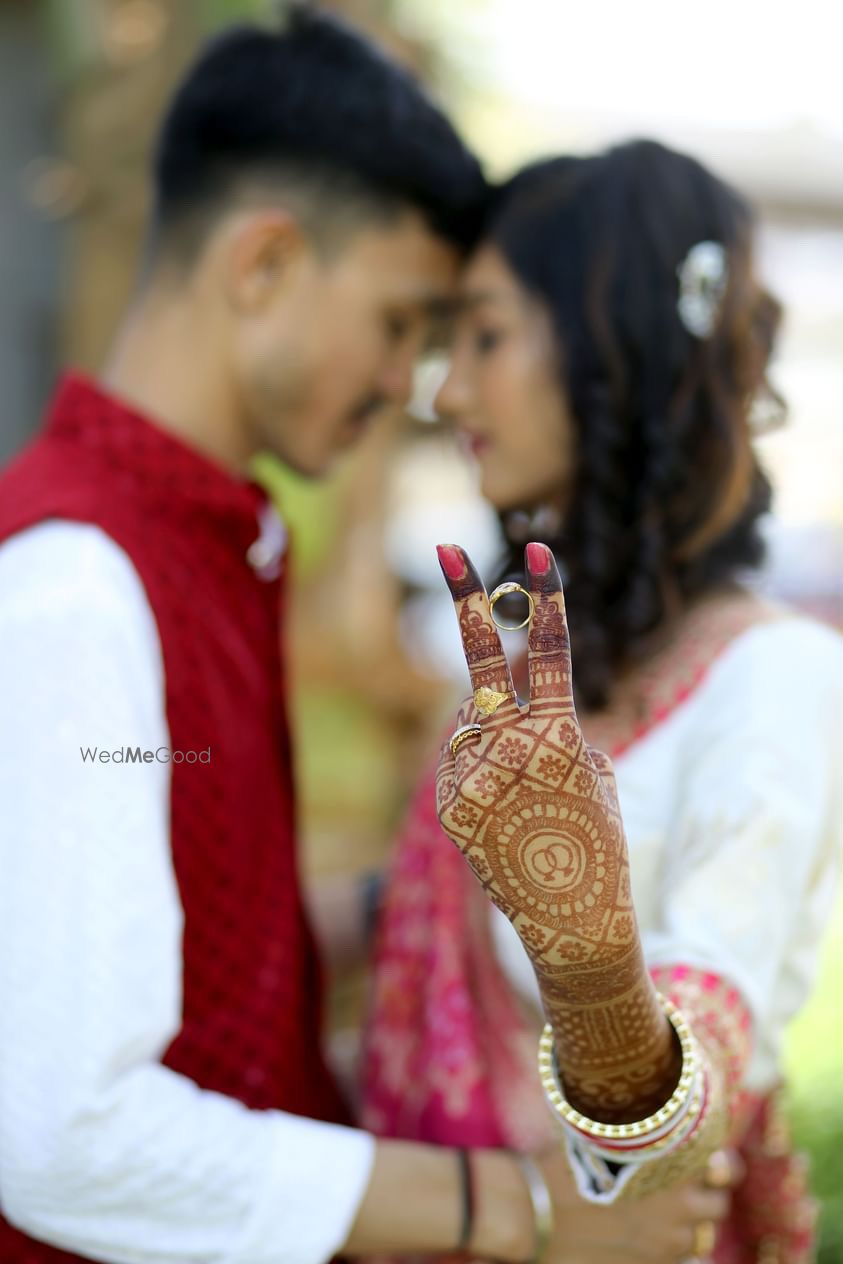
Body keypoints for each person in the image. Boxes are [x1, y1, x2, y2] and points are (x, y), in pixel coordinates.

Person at [0, 9, 601, 1263]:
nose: (413, 385)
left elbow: (182, 952)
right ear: (264, 262)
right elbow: (64, 1135)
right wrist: (520, 1211)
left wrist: (420, 901)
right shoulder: (76, 588)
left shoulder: (203, 552)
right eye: (400, 322)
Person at [362, 141, 843, 1262]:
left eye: (484, 335)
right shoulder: (534, 655)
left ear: (607, 350)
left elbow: (690, 1107)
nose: (448, 389)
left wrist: (587, 961)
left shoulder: (772, 681)